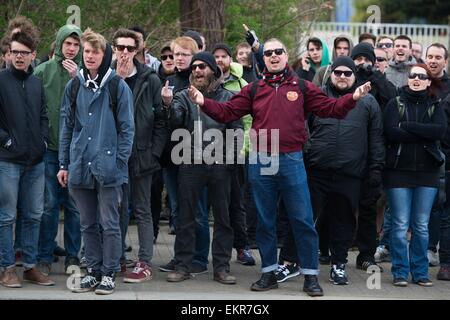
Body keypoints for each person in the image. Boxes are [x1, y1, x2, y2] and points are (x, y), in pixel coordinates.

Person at [188, 38, 372, 297]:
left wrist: (352, 97)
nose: (273, 56)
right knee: (265, 221)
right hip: (262, 159)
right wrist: (203, 101)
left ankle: (310, 276)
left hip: (292, 158)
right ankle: (269, 273)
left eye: (278, 52)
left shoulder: (303, 87)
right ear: (263, 58)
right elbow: (228, 111)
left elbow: (331, 108)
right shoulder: (254, 89)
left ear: (286, 55)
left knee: (303, 219)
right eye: (269, 53)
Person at [59, 28, 134, 295]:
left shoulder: (117, 86)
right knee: (87, 223)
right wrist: (64, 163)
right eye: (87, 51)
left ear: (105, 55)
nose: (90, 56)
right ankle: (93, 270)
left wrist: (120, 162)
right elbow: (66, 126)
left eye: (96, 52)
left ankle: (109, 272)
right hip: (80, 164)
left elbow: (127, 130)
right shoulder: (74, 84)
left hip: (109, 166)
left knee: (109, 223)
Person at [165, 52, 242, 285]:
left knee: (223, 219)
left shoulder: (229, 97)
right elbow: (175, 122)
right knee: (186, 218)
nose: (197, 71)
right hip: (190, 163)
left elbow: (236, 131)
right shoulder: (182, 97)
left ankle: (221, 268)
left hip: (220, 165)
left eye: (202, 67)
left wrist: (228, 162)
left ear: (213, 70)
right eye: (194, 67)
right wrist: (168, 104)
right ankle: (183, 266)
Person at [111, 28, 167, 283]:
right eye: (120, 47)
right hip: (114, 156)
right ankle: (117, 257)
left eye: (130, 48)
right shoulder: (106, 76)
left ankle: (144, 261)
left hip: (143, 155)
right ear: (113, 49)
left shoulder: (150, 78)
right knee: (117, 209)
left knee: (143, 210)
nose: (124, 52)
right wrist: (118, 80)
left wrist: (154, 152)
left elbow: (160, 121)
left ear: (138, 50)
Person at [383, 64, 446, 287]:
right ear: (407, 79)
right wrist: (422, 132)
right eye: (412, 76)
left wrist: (407, 126)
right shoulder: (395, 103)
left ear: (429, 82)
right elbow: (391, 132)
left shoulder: (435, 104)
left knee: (420, 225)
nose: (416, 79)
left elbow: (438, 131)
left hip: (427, 174)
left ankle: (420, 272)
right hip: (398, 173)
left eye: (422, 76)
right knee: (400, 225)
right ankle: (400, 271)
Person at [0, 31, 54, 288]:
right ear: (8, 54)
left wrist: (43, 140)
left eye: (24, 53)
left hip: (36, 161)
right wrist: (7, 141)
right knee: (7, 217)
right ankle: (7, 268)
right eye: (15, 52)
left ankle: (30, 266)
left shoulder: (36, 83)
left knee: (34, 214)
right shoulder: (0, 81)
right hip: (8, 160)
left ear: (33, 55)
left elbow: (44, 115)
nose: (19, 57)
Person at [33, 24, 83, 276]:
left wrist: (80, 78)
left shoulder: (87, 73)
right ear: (59, 44)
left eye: (76, 44)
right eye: (68, 44)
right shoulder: (42, 71)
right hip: (50, 149)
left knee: (75, 207)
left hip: (77, 151)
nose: (72, 49)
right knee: (49, 206)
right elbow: (33, 109)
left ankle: (74, 257)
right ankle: (44, 255)